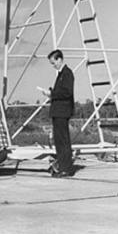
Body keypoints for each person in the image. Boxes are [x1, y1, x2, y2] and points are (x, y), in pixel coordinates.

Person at [40, 49, 75, 177]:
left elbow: (67, 92)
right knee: (59, 141)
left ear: (60, 59)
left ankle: (66, 168)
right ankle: (63, 166)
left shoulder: (67, 73)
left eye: (54, 62)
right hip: (58, 111)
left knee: (63, 141)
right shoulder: (62, 74)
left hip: (62, 111)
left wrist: (52, 93)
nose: (53, 65)